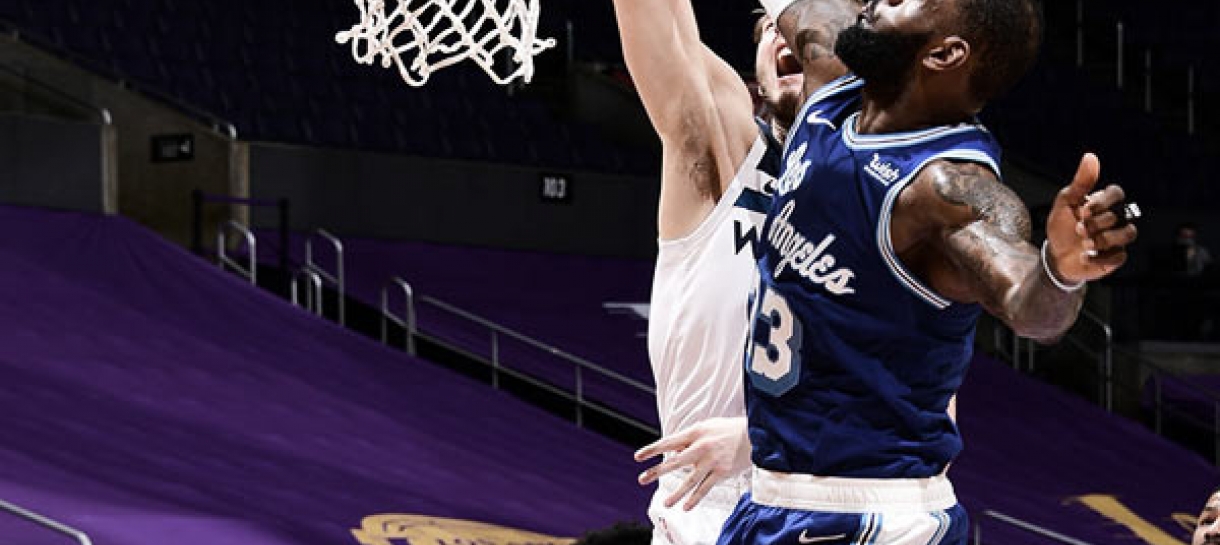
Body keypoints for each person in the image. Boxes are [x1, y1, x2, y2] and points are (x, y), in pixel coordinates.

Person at [711, 0, 1140, 543]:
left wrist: (1060, 270)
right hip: (769, 496)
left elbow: (1032, 311)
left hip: (872, 514)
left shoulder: (946, 189)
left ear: (945, 53)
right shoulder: (830, 82)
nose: (873, 0)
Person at [609, 0, 858, 543]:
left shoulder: (893, 199)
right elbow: (657, 21)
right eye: (771, 27)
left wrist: (757, 438)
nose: (784, 35)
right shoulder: (727, 153)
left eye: (800, 25)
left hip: (833, 508)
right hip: (705, 509)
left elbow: (928, 425)